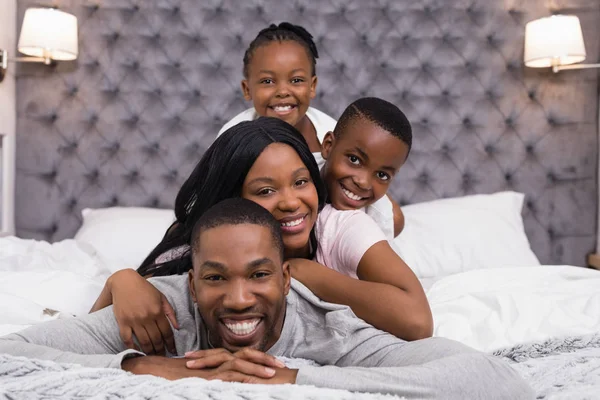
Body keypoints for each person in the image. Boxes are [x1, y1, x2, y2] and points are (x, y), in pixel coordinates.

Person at [0, 198, 534, 400]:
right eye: (215, 278)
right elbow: (11, 358)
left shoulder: (328, 326)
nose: (238, 299)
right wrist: (159, 370)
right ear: (191, 282)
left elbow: (495, 380)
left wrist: (287, 377)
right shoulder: (160, 310)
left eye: (259, 275)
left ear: (287, 278)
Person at [90, 117, 432, 356]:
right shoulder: (204, 247)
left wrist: (307, 273)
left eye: (301, 182)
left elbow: (417, 321)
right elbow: (92, 330)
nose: (290, 202)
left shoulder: (338, 227)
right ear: (232, 203)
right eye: (266, 190)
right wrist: (121, 282)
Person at [218, 23, 404, 239]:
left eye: (296, 80)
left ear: (312, 86)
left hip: (325, 207)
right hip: (267, 218)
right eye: (267, 81)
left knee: (395, 219)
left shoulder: (331, 132)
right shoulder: (233, 137)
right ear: (247, 89)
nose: (282, 92)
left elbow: (360, 176)